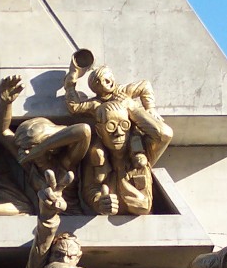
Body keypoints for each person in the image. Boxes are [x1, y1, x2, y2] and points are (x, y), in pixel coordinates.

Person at [62, 51, 173, 215]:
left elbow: (164, 134)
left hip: (135, 144)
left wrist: (140, 108)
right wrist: (70, 83)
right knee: (98, 155)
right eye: (111, 126)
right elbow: (89, 189)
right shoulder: (95, 150)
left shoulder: (124, 93)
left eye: (124, 125)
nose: (119, 132)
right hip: (102, 157)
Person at [0, 74, 91, 214]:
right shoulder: (29, 164)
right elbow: (1, 132)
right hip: (43, 217)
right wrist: (5, 103)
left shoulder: (65, 163)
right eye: (23, 148)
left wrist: (41, 148)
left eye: (31, 148)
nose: (26, 152)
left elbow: (84, 131)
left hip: (71, 218)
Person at [21, 169, 107, 268]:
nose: (64, 261)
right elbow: (42, 243)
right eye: (58, 255)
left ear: (78, 258)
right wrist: (48, 214)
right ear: (49, 256)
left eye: (70, 257)